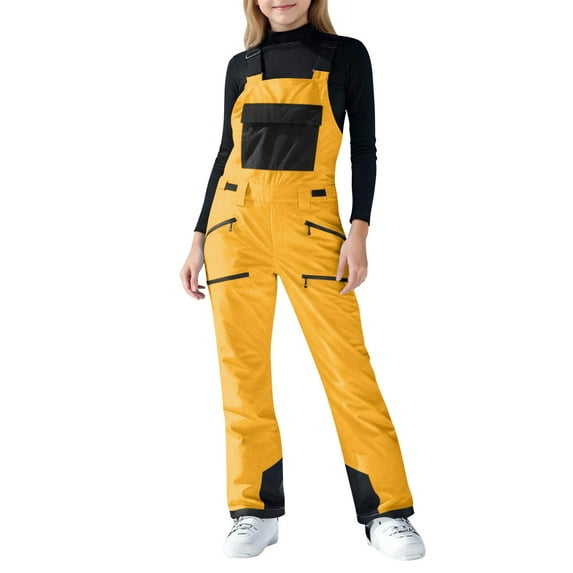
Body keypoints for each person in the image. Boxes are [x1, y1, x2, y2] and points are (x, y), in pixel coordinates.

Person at [180, 0, 425, 561]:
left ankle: (388, 513)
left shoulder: (345, 56)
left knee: (348, 371)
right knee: (242, 373)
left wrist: (359, 231)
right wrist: (197, 239)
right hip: (233, 228)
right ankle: (253, 511)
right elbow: (225, 154)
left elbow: (363, 148)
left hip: (313, 229)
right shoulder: (241, 65)